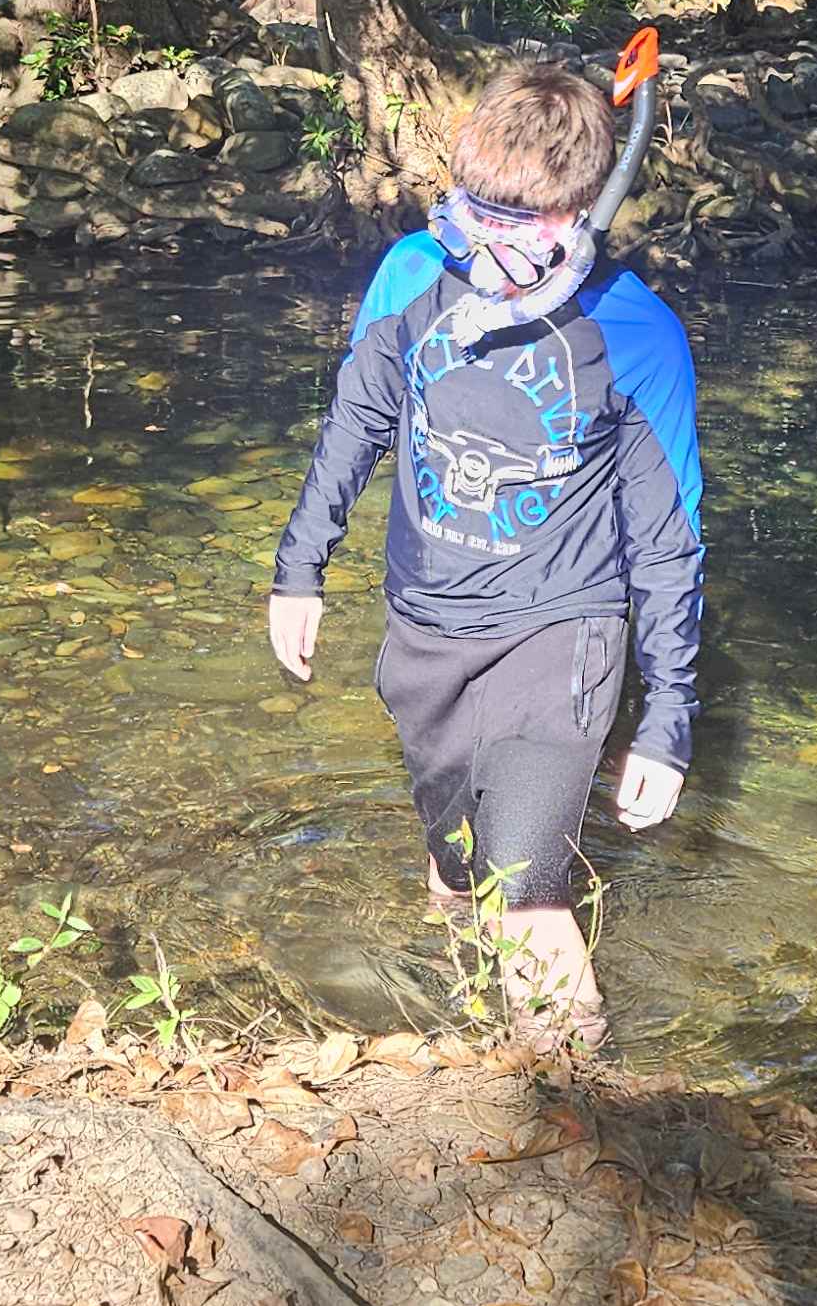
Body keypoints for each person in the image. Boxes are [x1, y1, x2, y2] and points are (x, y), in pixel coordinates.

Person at [267, 56, 704, 1049]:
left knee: (525, 890)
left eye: (523, 227)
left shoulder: (634, 335)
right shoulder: (415, 275)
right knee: (455, 870)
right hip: (427, 628)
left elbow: (669, 541)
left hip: (562, 635)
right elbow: (356, 421)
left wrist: (669, 709)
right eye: (476, 216)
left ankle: (567, 1125)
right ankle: (452, 1038)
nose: (491, 249)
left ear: (583, 213)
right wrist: (301, 568)